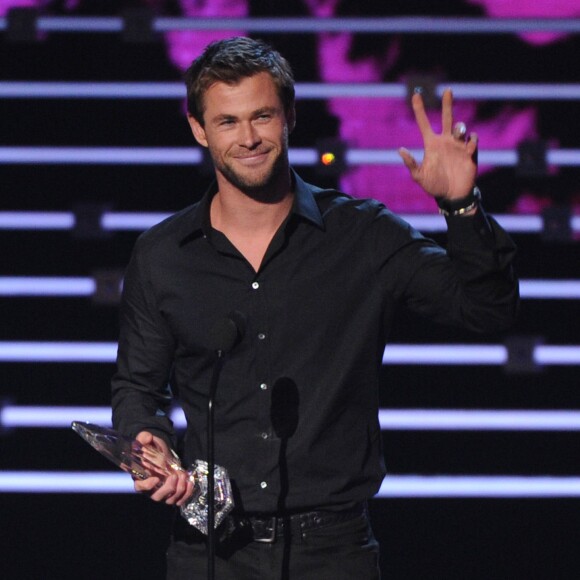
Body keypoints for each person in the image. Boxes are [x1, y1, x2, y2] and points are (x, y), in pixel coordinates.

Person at [111, 36, 519, 579]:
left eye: (262, 116)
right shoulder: (162, 255)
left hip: (332, 551)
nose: (249, 137)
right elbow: (138, 387)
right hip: (210, 552)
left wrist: (461, 206)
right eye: (228, 122)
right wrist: (150, 442)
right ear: (199, 129)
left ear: (290, 117)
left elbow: (487, 310)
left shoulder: (363, 235)